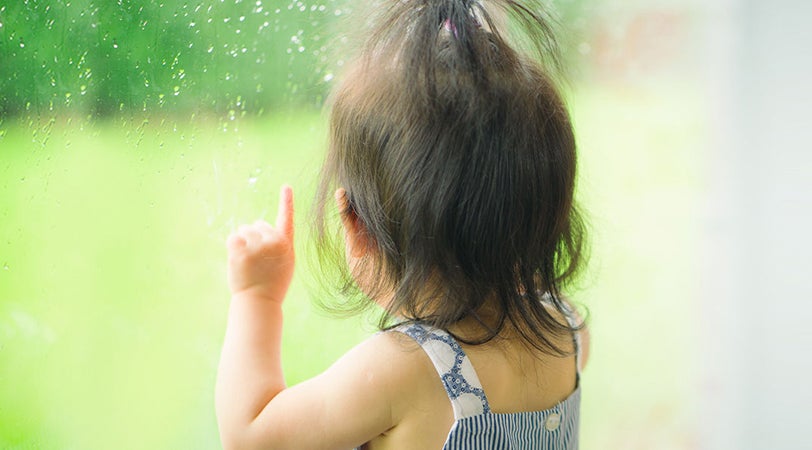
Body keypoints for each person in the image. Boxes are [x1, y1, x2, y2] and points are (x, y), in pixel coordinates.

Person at [215, 0, 590, 448]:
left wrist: (256, 296)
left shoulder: (403, 371)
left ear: (358, 227)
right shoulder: (568, 331)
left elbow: (252, 435)